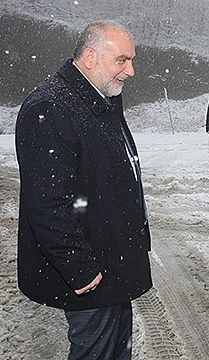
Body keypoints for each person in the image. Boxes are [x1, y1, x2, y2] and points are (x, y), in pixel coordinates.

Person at [15, 20, 151, 359]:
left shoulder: (97, 98)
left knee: (118, 349)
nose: (130, 70)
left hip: (112, 264)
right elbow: (47, 205)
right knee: (96, 351)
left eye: (131, 59)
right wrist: (81, 269)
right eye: (122, 60)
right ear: (90, 57)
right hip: (93, 274)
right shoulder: (51, 108)